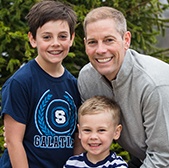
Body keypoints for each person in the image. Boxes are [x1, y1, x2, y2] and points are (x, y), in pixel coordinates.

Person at [77, 6, 169, 168]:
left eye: (109, 40)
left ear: (126, 40)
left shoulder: (154, 84)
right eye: (93, 42)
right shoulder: (87, 79)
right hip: (143, 158)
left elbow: (163, 156)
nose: (101, 50)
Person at [0, 0, 83, 167]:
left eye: (62, 36)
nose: (55, 43)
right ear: (33, 39)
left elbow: (78, 138)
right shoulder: (20, 82)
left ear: (72, 38)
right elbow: (13, 141)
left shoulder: (75, 85)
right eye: (46, 37)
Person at [64, 95, 128, 168]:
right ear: (80, 131)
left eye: (101, 130)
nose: (93, 137)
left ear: (116, 132)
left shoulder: (118, 165)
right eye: (87, 130)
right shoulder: (72, 164)